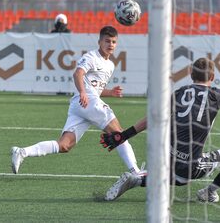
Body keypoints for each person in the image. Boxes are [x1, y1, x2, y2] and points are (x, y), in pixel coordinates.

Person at [100, 58, 220, 202]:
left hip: (164, 156)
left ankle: (139, 178)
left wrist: (123, 135)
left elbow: (152, 118)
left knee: (176, 167)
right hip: (189, 165)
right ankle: (209, 191)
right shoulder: (217, 95)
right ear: (213, 77)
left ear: (191, 75)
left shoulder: (179, 93)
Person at [11, 26, 141, 175]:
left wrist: (110, 92)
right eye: (107, 41)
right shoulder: (91, 57)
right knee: (119, 133)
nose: (110, 45)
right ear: (99, 42)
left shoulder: (110, 65)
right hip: (87, 101)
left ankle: (22, 152)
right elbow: (78, 74)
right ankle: (135, 172)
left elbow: (95, 88)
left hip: (82, 105)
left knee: (65, 145)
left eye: (113, 42)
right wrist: (82, 92)